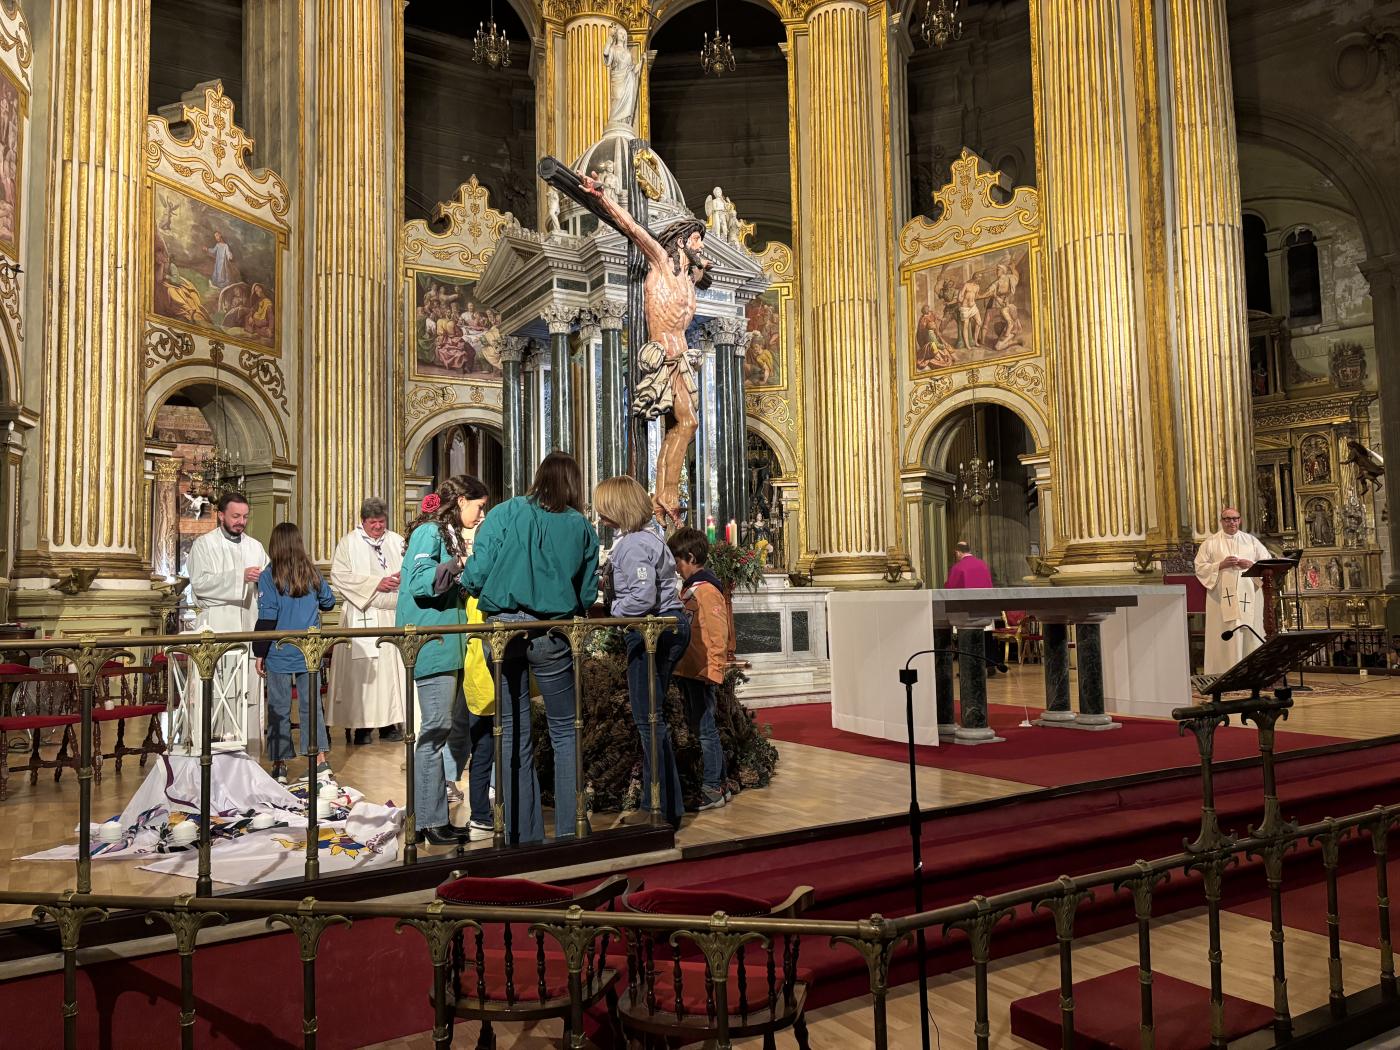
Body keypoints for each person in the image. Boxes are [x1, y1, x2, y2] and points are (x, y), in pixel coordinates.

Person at [462, 452, 599, 846]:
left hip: (503, 631)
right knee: (565, 731)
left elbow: (477, 572)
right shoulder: (580, 525)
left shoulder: (506, 512)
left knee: (511, 731)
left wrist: (474, 584)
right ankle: (571, 831)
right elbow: (587, 592)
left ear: (539, 478)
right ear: (574, 484)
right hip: (551, 632)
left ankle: (521, 835)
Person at [579, 174, 712, 526]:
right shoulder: (660, 262)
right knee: (688, 422)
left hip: (682, 359)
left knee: (680, 426)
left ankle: (662, 494)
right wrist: (601, 196)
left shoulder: (688, 277)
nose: (700, 246)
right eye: (696, 240)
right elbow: (633, 228)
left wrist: (700, 268)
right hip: (664, 355)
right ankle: (666, 493)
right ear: (681, 241)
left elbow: (699, 274)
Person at [399, 476, 493, 847]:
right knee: (434, 732)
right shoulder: (429, 532)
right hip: (432, 643)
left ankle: (435, 816)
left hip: (447, 644)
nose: (481, 514)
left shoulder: (447, 534)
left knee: (442, 732)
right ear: (461, 501)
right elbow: (421, 582)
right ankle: (428, 821)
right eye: (479, 506)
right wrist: (458, 564)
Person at [596, 475, 691, 829]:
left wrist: (613, 613)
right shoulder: (646, 538)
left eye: (604, 508)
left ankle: (660, 808)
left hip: (653, 631)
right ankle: (663, 805)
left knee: (648, 720)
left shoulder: (634, 543)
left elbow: (642, 597)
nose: (599, 515)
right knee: (653, 720)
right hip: (665, 627)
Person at [252, 523, 336, 784]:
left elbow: (268, 617)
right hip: (309, 650)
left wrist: (259, 652)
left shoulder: (269, 575)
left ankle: (280, 766)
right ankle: (320, 763)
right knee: (312, 707)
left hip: (279, 650)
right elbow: (329, 602)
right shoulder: (312, 571)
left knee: (279, 707)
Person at [186, 491, 267, 743]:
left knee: (247, 694)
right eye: (235, 516)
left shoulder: (255, 547)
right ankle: (213, 751)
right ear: (221, 515)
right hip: (217, 627)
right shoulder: (204, 545)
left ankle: (248, 754)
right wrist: (239, 577)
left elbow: (267, 584)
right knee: (216, 692)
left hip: (249, 626)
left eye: (245, 517)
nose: (241, 522)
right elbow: (200, 585)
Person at [327, 498, 406, 746]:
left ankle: (389, 724)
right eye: (373, 523)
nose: (378, 527)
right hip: (363, 614)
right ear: (363, 521)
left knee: (389, 675)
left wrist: (401, 577)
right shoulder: (349, 543)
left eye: (382, 522)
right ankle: (362, 727)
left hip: (392, 615)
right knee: (363, 675)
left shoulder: (396, 541)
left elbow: (410, 570)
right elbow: (339, 576)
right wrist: (376, 583)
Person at [667, 526, 730, 812]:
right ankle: (721, 783)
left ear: (691, 558)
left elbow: (718, 632)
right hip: (690, 668)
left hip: (702, 670)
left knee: (706, 730)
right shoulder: (691, 588)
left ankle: (712, 788)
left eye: (677, 560)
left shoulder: (707, 590)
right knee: (701, 728)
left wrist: (714, 668)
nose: (675, 567)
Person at [1194, 507, 1271, 675]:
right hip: (1220, 598)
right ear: (1221, 521)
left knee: (1250, 632)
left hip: (1249, 595)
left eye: (1235, 519)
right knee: (1225, 632)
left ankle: (1251, 672)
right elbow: (1199, 567)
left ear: (1240, 520)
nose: (1232, 522)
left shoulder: (1251, 541)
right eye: (1227, 519)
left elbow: (1267, 563)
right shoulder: (1210, 543)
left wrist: (1251, 565)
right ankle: (1222, 672)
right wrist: (1220, 565)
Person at [944, 541, 1008, 676]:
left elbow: (951, 589)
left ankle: (968, 668)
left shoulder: (958, 567)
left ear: (958, 552)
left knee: (967, 641)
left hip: (966, 612)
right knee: (987, 638)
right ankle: (990, 664)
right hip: (984, 609)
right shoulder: (982, 564)